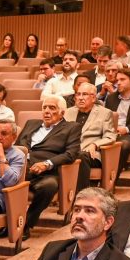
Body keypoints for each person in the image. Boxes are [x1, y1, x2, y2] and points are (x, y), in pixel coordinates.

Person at [17, 95, 80, 235]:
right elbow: (17, 146)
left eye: (52, 108)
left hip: (46, 173)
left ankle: (26, 224)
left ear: (62, 113)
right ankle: (3, 222)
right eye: (44, 107)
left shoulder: (71, 128)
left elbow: (71, 154)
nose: (46, 111)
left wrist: (47, 164)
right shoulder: (31, 123)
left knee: (48, 186)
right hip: (21, 168)